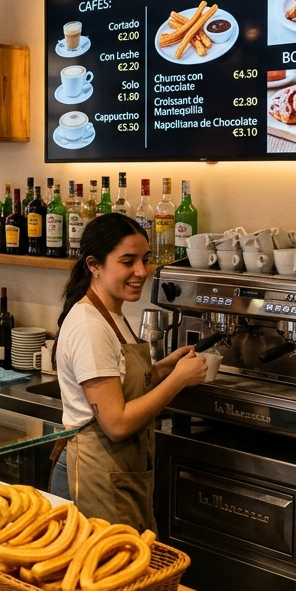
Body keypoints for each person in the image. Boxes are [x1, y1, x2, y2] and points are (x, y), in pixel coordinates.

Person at [47, 214, 208, 532]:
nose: (141, 271)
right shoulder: (90, 326)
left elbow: (121, 381)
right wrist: (178, 380)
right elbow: (116, 423)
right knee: (103, 575)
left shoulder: (111, 315)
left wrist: (164, 368)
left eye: (145, 260)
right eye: (128, 261)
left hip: (116, 471)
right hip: (93, 476)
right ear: (94, 264)